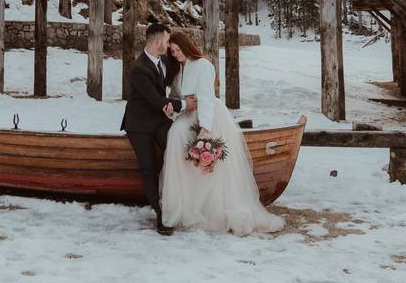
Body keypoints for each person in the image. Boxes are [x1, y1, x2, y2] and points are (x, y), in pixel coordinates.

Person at [159, 31, 284, 235]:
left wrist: (205, 128)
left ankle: (213, 208)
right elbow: (176, 97)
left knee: (215, 169)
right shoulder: (178, 70)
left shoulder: (203, 65)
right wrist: (172, 110)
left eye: (179, 50)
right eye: (172, 52)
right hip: (188, 114)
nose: (176, 54)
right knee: (175, 135)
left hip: (208, 115)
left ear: (187, 47)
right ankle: (184, 205)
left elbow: (206, 98)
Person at [120, 23, 196, 235]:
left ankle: (183, 198)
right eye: (166, 40)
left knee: (179, 151)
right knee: (148, 167)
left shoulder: (163, 61)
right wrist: (184, 105)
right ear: (156, 42)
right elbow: (155, 100)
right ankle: (160, 213)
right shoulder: (138, 68)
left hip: (160, 120)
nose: (169, 43)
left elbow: (183, 70)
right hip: (139, 124)